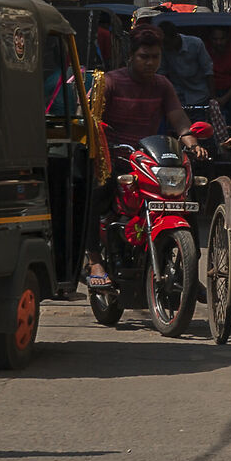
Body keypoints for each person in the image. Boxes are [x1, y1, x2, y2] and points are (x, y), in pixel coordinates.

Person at [85, 27, 190, 287]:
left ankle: (186, 269)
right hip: (113, 161)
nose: (150, 62)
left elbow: (178, 118)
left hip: (149, 160)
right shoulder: (110, 81)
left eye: (155, 57)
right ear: (130, 56)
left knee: (184, 198)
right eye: (144, 56)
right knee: (94, 199)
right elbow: (90, 116)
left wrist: (191, 140)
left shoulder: (163, 85)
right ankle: (94, 259)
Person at [140, 8, 213, 119]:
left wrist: (213, 99)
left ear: (175, 38)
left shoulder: (196, 44)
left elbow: (208, 71)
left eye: (166, 43)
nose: (164, 46)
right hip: (177, 96)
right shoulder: (163, 50)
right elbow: (162, 74)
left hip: (199, 95)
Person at [208, 26, 231, 127]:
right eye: (215, 39)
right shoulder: (205, 49)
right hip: (209, 89)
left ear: (227, 38)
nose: (218, 43)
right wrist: (213, 97)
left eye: (221, 39)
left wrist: (224, 98)